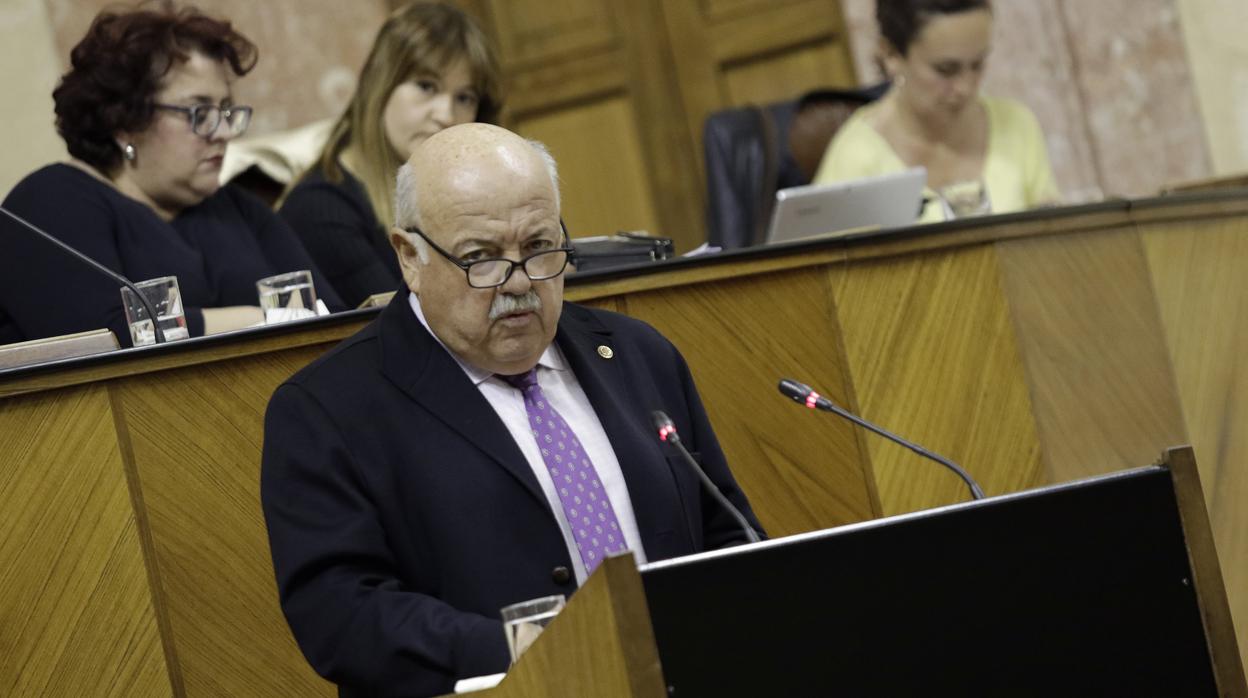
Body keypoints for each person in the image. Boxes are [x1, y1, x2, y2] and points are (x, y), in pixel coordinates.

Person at [261, 123, 762, 697]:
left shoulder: (637, 355)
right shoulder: (328, 411)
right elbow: (342, 616)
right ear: (409, 257)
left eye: (539, 247)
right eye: (481, 258)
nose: (519, 281)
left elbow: (730, 530)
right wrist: (538, 648)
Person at [0, 4, 341, 348]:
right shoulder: (48, 203)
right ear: (126, 122)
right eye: (199, 112)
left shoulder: (238, 208)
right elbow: (106, 339)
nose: (223, 131)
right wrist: (258, 317)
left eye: (225, 110)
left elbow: (328, 314)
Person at [278, 2, 502, 309]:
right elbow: (412, 331)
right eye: (426, 86)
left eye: (464, 97)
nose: (446, 115)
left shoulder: (472, 190)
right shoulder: (320, 210)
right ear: (380, 86)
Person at [813, 0, 1059, 222]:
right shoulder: (856, 159)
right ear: (891, 55)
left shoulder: (1016, 124)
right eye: (946, 70)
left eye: (977, 64)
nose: (965, 87)